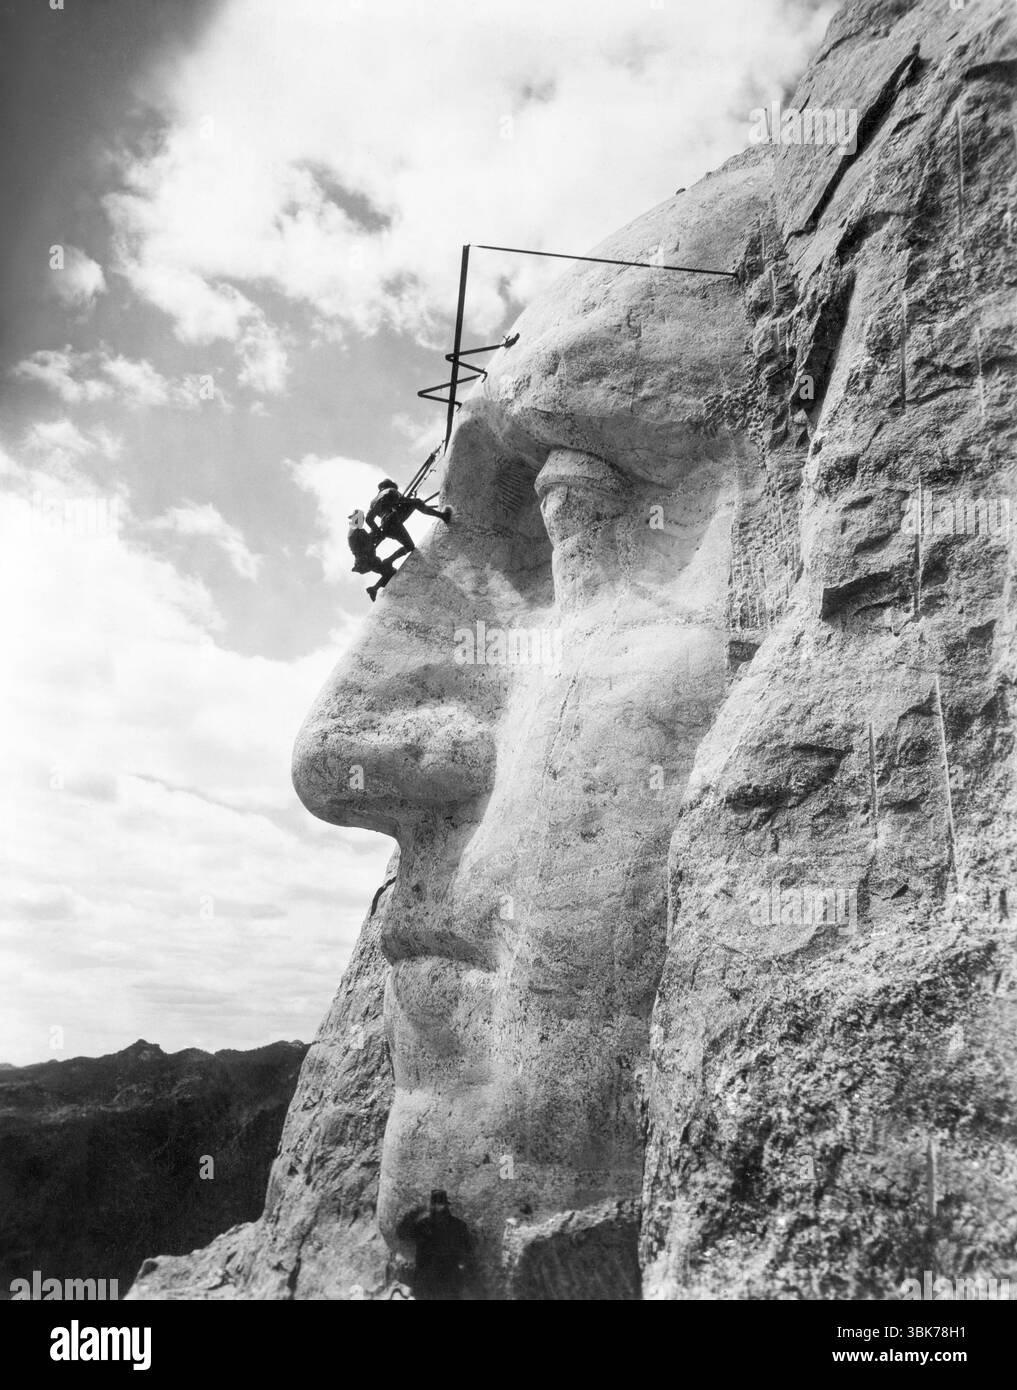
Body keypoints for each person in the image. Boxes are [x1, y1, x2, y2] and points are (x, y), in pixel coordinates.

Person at [395, 1190, 473, 1301]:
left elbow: (401, 1233)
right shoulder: (457, 1225)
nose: (437, 1207)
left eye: (438, 1204)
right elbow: (401, 1233)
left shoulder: (425, 1225)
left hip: (435, 1285)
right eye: (436, 1204)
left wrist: (417, 1211)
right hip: (439, 1285)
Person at [367, 479, 452, 561]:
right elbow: (402, 500)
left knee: (409, 546)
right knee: (416, 502)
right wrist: (415, 500)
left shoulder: (372, 502)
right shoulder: (391, 490)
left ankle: (389, 561)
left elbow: (368, 519)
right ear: (390, 485)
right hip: (394, 520)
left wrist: (379, 532)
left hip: (387, 527)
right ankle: (443, 516)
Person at [347, 510, 396, 602]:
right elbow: (365, 545)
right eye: (359, 518)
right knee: (389, 572)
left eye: (362, 518)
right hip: (366, 561)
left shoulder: (356, 530)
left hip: (366, 561)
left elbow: (367, 540)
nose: (361, 520)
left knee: (389, 573)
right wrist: (376, 537)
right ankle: (374, 589)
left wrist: (375, 536)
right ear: (354, 519)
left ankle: (374, 589)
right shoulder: (354, 532)